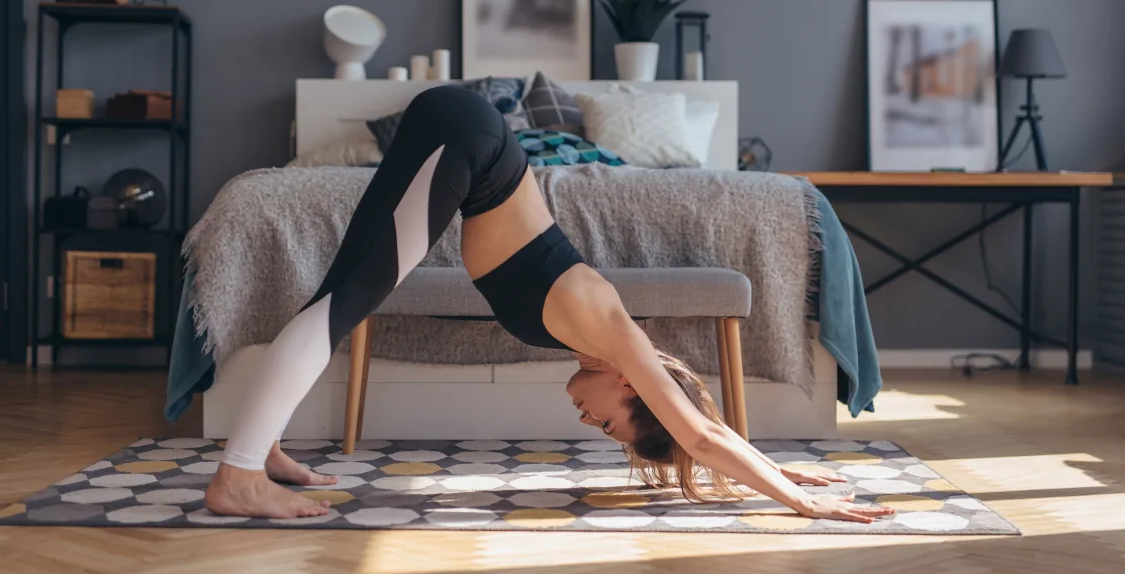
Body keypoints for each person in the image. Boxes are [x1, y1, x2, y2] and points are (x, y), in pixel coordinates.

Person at [204, 85, 896, 524]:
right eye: (610, 423)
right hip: (466, 135)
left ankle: (258, 452)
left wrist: (776, 467)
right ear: (632, 386)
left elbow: (700, 432)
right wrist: (799, 499)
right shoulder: (610, 328)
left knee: (340, 298)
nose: (588, 419)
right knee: (340, 305)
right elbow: (700, 435)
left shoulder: (597, 339)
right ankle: (236, 476)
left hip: (468, 141)